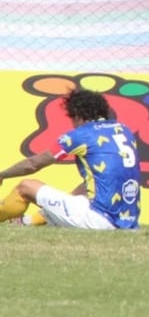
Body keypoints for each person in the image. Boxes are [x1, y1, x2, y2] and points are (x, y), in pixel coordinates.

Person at [0, 89, 141, 230]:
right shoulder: (123, 129)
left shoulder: (81, 134)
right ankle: (28, 221)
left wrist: (3, 175)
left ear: (78, 116)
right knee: (85, 188)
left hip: (98, 219)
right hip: (129, 221)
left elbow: (32, 164)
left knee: (26, 187)